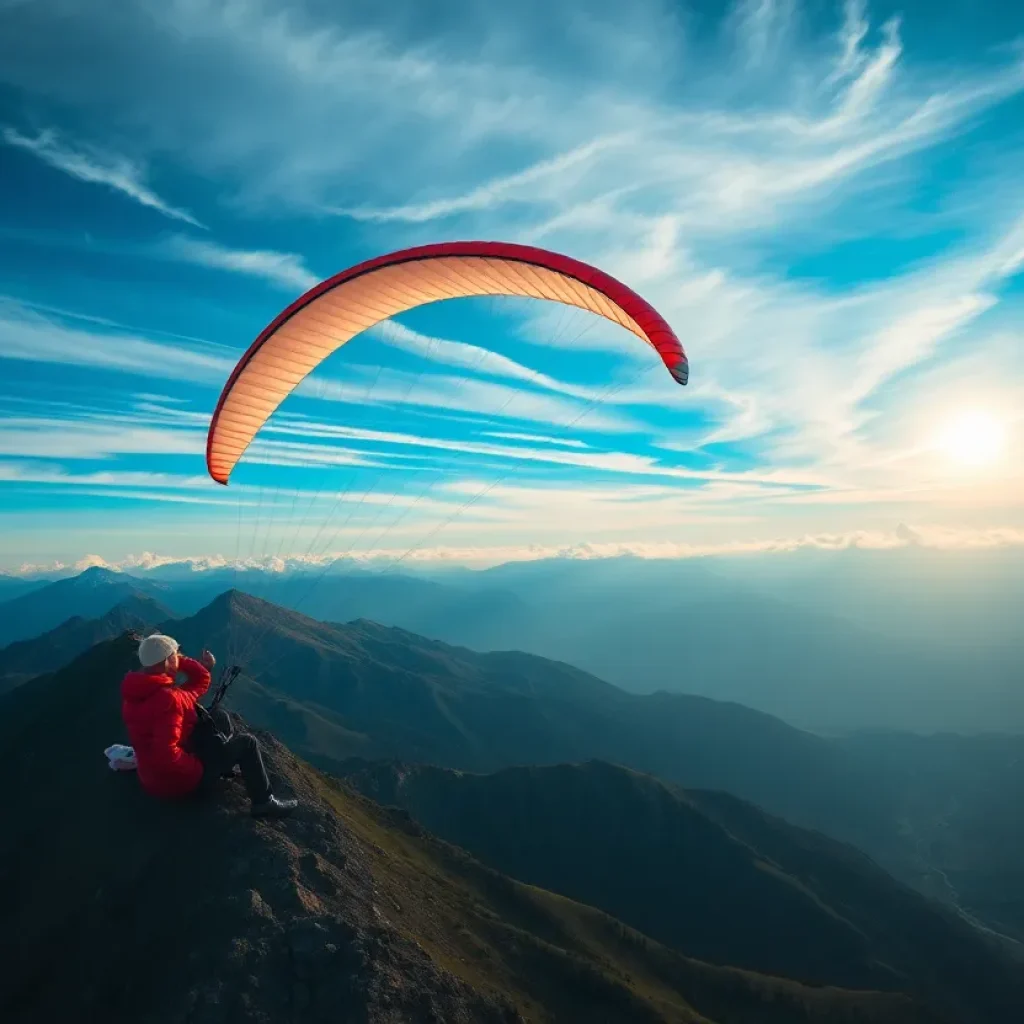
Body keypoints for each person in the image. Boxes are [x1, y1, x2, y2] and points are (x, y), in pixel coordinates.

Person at [120, 633, 297, 819]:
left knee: (218, 716)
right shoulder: (168, 699)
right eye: (175, 656)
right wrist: (197, 768)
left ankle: (223, 766)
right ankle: (264, 803)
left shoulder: (137, 694)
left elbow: (196, 686)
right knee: (247, 743)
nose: (179, 658)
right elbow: (166, 755)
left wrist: (173, 659)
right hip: (177, 783)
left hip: (153, 776)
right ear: (166, 662)